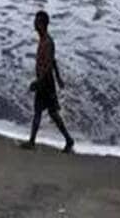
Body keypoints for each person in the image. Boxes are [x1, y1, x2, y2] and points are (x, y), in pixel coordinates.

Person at [20, 9, 75, 152]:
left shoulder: (48, 42)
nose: (34, 23)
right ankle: (34, 141)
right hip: (44, 81)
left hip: (46, 82)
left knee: (50, 113)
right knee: (43, 112)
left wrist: (39, 81)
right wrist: (58, 78)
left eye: (36, 21)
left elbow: (49, 64)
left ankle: (67, 140)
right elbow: (53, 61)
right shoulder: (43, 40)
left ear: (42, 24)